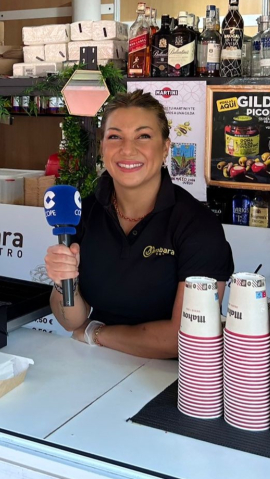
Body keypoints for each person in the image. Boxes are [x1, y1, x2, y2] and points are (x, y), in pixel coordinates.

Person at [44, 90, 233, 358]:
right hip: (95, 365)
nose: (127, 149)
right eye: (114, 136)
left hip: (173, 379)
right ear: (102, 148)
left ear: (166, 147)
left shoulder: (197, 226)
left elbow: (185, 337)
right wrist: (65, 282)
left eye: (143, 136)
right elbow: (71, 321)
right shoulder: (84, 213)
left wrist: (96, 333)